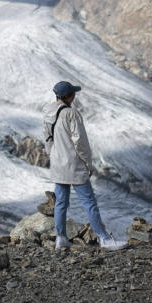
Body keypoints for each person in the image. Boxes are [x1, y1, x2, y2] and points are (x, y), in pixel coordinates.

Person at [42, 81, 126, 251]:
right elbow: (80, 142)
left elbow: (47, 139)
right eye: (73, 93)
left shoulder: (48, 112)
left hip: (58, 165)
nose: (75, 96)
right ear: (68, 96)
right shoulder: (71, 114)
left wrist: (54, 155)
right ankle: (103, 238)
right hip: (74, 165)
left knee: (60, 203)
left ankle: (61, 238)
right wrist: (88, 164)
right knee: (89, 203)